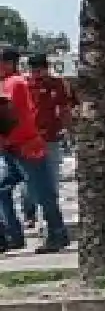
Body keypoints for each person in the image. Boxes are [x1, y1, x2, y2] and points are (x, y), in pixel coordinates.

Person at [0, 47, 70, 253]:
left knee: (42, 192)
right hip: (13, 146)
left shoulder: (15, 83)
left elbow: (6, 115)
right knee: (4, 188)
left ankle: (57, 233)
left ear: (8, 63)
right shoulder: (14, 83)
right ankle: (13, 234)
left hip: (26, 146)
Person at [20, 53, 74, 229]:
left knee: (52, 178)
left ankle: (50, 217)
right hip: (29, 139)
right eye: (35, 69)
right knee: (29, 180)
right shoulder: (24, 84)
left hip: (51, 137)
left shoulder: (57, 84)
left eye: (42, 69)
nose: (39, 73)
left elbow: (64, 108)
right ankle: (29, 212)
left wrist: (69, 130)